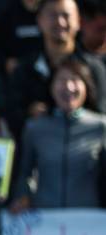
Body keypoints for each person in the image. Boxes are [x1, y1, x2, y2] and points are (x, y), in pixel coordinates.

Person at [11, 56, 106, 210]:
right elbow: (24, 173)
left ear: (86, 87)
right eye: (61, 80)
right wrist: (22, 196)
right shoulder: (35, 127)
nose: (68, 87)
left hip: (88, 222)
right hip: (46, 219)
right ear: (51, 87)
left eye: (75, 80)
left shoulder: (101, 127)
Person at [5, 0, 106, 139]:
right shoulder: (24, 70)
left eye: (66, 15)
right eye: (52, 15)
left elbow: (102, 118)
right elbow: (12, 117)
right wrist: (29, 114)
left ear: (78, 21)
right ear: (39, 20)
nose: (60, 22)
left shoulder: (95, 68)